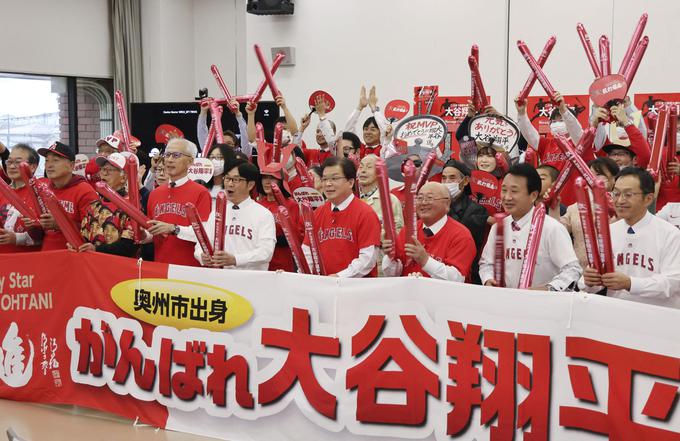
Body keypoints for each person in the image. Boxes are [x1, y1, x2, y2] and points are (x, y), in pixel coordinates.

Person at [581, 168, 680, 307]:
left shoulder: (670, 234)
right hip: (616, 312)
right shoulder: (608, 232)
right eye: (616, 194)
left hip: (658, 317)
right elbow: (595, 286)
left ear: (648, 199)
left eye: (628, 194)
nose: (620, 200)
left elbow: (673, 282)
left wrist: (630, 283)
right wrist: (589, 280)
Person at [479, 163, 582, 290]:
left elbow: (573, 270)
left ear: (533, 195)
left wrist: (547, 289)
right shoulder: (498, 227)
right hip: (505, 302)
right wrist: (488, 279)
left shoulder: (551, 228)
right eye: (504, 190)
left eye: (514, 191)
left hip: (542, 304)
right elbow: (486, 264)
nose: (507, 197)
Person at [303, 156, 381, 277]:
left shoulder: (366, 214)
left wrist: (340, 276)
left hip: (355, 288)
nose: (328, 184)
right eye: (324, 179)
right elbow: (307, 250)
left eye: (335, 178)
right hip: (323, 286)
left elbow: (368, 258)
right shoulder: (317, 213)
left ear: (350, 182)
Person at [382, 182, 476, 281]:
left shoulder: (461, 235)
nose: (423, 202)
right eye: (420, 198)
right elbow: (392, 275)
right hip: (408, 293)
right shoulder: (408, 230)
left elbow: (457, 279)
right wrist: (390, 256)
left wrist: (425, 260)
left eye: (429, 198)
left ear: (447, 204)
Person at [196, 161, 276, 270]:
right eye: (227, 178)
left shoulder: (263, 214)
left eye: (236, 180)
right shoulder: (217, 212)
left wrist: (235, 259)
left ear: (250, 185)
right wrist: (202, 255)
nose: (229, 184)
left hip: (250, 281)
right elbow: (202, 243)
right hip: (219, 280)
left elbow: (266, 252)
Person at [146, 138, 211, 266]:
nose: (169, 160)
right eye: (167, 155)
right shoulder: (155, 193)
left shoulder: (201, 193)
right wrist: (143, 235)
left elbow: (204, 234)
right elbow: (151, 231)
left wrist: (173, 229)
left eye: (176, 155)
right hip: (161, 266)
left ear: (190, 162)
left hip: (189, 269)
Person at [516, 92, 586, 206]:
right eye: (553, 121)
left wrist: (563, 109)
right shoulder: (547, 144)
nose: (556, 124)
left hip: (572, 202)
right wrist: (521, 113)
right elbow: (529, 134)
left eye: (561, 120)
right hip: (548, 201)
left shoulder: (579, 142)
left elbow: (577, 131)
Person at [33, 142, 99, 251]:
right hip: (47, 254)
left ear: (71, 165)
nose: (49, 165)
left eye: (55, 160)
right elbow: (39, 234)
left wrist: (59, 224)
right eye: (47, 161)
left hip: (73, 256)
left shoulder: (85, 191)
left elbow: (93, 230)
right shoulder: (44, 189)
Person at [560, 157, 619, 269]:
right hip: (580, 271)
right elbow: (559, 230)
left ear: (614, 178)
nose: (592, 178)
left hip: (613, 269)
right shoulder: (575, 208)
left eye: (598, 174)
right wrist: (554, 206)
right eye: (588, 174)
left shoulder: (621, 205)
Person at [77, 152, 136, 257]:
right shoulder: (93, 206)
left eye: (110, 170)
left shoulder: (131, 206)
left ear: (123, 178)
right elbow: (84, 237)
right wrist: (76, 245)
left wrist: (97, 249)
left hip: (121, 268)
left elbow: (129, 246)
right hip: (94, 266)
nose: (104, 173)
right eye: (103, 169)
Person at [441, 160, 488, 283]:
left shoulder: (477, 211)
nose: (447, 183)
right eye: (444, 178)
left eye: (452, 178)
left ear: (465, 181)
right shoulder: (436, 206)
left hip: (466, 275)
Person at [357, 154, 404, 275]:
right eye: (361, 166)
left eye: (369, 167)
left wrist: (370, 236)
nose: (363, 170)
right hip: (354, 266)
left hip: (379, 268)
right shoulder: (352, 199)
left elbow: (398, 234)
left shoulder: (390, 200)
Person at [257, 166, 303, 272]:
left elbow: (295, 237)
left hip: (283, 263)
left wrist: (269, 240)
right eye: (264, 177)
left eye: (272, 178)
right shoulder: (258, 205)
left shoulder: (291, 205)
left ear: (281, 181)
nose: (267, 182)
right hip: (261, 263)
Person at [0, 144, 43, 252]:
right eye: (9, 162)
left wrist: (16, 239)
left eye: (18, 162)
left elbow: (49, 234)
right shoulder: (3, 192)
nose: (12, 166)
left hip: (29, 261)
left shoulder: (40, 192)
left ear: (33, 167)